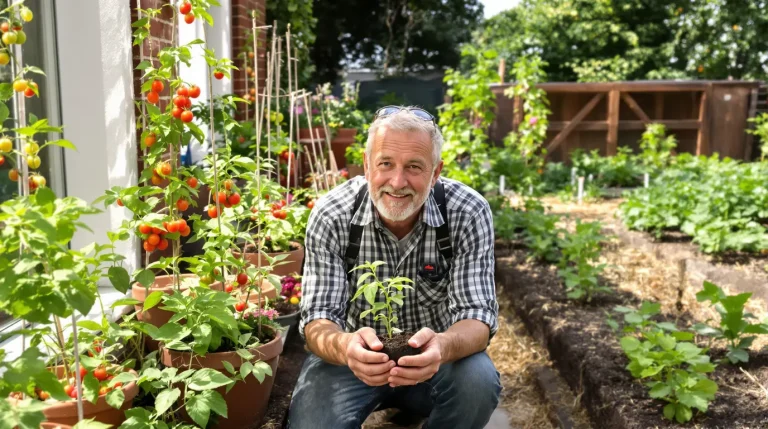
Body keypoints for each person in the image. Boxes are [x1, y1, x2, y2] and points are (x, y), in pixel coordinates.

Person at [287, 106, 500, 429]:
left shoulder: (467, 211)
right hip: (351, 362)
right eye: (386, 164)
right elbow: (317, 318)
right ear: (367, 165)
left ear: (436, 171)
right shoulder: (333, 213)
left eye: (414, 167)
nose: (398, 182)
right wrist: (346, 347)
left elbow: (478, 316)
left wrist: (441, 346)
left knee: (478, 383)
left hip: (435, 363)